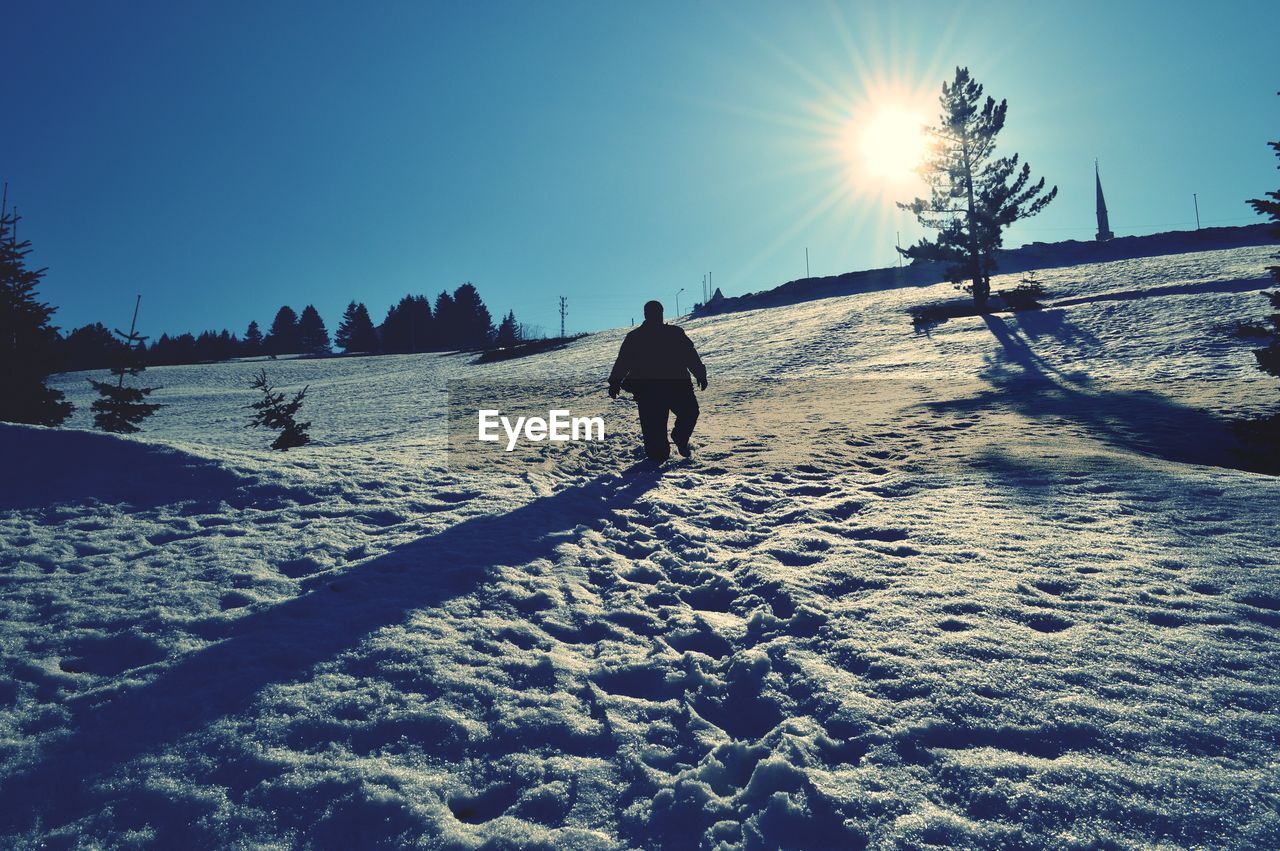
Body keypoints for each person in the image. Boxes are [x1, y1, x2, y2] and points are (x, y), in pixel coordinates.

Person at [608, 300, 707, 461]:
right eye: (653, 313)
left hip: (675, 387)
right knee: (656, 448)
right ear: (646, 315)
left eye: (658, 313)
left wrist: (700, 374)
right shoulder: (636, 337)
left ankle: (680, 438)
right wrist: (614, 382)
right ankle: (655, 468)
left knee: (690, 413)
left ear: (661, 313)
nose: (656, 316)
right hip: (649, 392)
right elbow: (623, 361)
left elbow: (690, 355)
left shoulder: (674, 333)